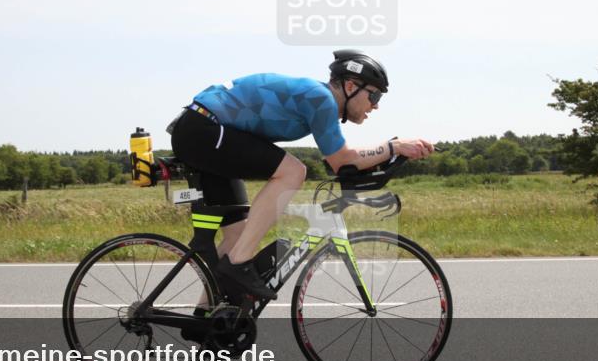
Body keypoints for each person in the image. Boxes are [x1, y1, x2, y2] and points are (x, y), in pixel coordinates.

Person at [169, 50, 435, 300]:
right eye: (374, 96)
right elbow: (342, 160)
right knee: (293, 171)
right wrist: (395, 147)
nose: (375, 106)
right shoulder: (320, 99)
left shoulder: (319, 100)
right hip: (203, 129)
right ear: (350, 86)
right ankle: (239, 263)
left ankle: (206, 317)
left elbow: (343, 163)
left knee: (237, 235)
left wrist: (391, 154)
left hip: (204, 131)